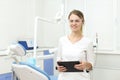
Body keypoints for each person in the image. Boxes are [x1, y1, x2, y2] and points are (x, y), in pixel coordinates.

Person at [56, 9, 95, 80]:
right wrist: (58, 67)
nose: (74, 23)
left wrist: (86, 65)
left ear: (82, 22)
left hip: (81, 78)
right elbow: (59, 59)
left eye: (77, 21)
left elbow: (91, 66)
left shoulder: (88, 42)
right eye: (71, 21)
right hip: (64, 78)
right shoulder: (62, 40)